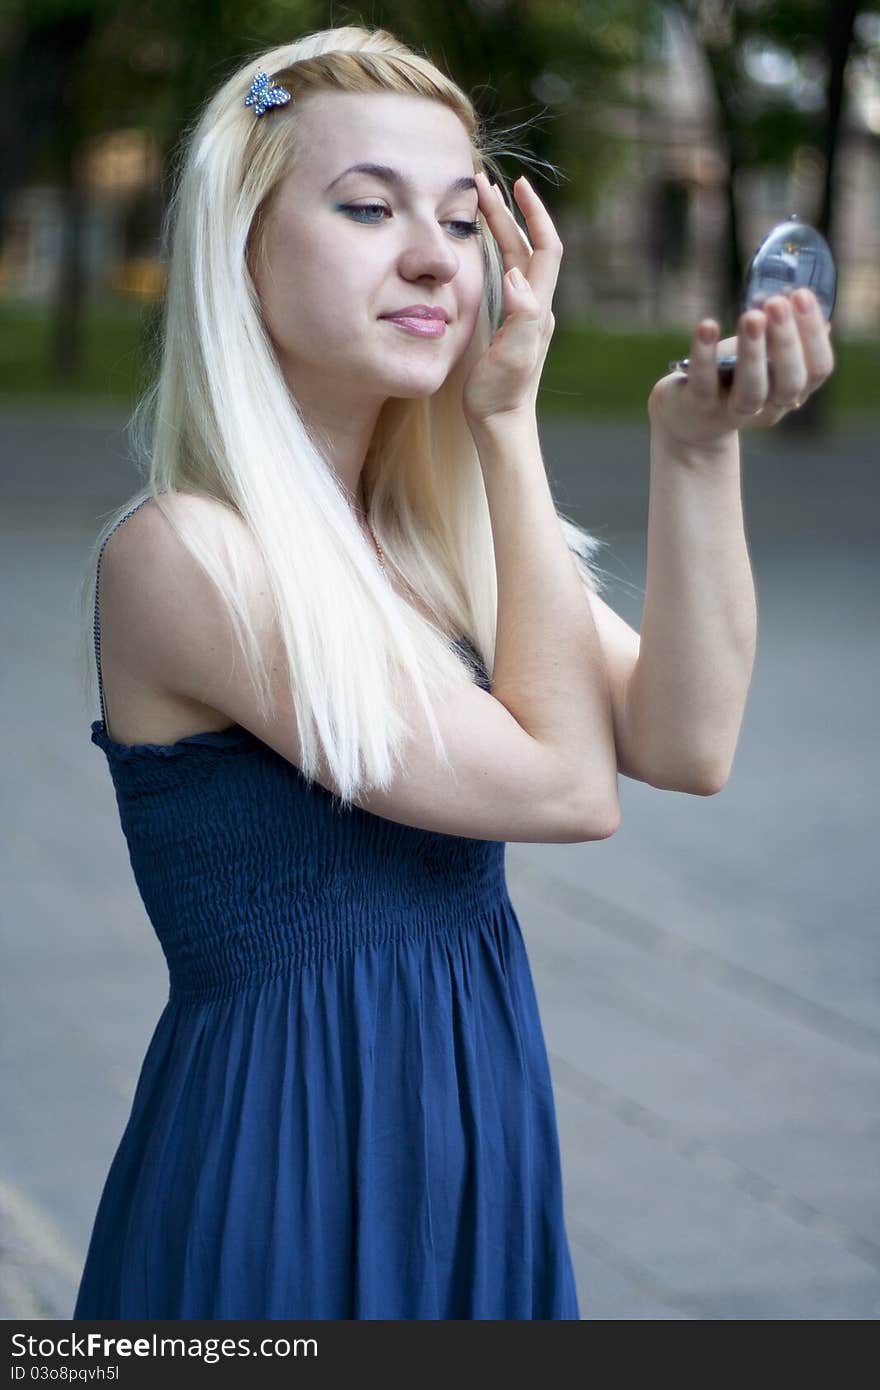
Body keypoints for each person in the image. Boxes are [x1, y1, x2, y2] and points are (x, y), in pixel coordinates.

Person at [72, 24, 834, 1321]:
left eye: (463, 214)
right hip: (287, 1167)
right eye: (367, 208)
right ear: (241, 249)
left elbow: (688, 739)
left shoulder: (431, 538)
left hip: (471, 1131)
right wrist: (504, 422)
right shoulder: (188, 556)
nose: (435, 254)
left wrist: (695, 454)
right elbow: (564, 787)